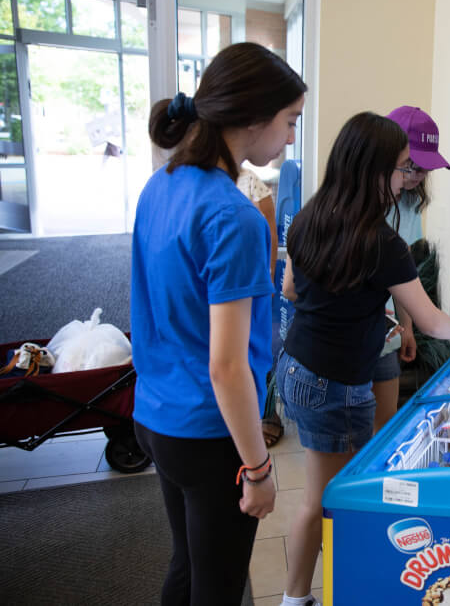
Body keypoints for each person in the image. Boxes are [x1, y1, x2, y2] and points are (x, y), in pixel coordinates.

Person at [276, 112, 450, 606]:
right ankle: (305, 597)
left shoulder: (311, 216)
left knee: (321, 491)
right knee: (331, 500)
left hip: (294, 367)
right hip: (333, 382)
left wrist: (362, 312)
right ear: (375, 171)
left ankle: (299, 595)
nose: (404, 178)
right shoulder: (382, 240)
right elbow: (434, 322)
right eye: (400, 167)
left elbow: (290, 288)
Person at [131, 41, 306, 605]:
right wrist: (257, 469)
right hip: (211, 434)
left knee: (189, 566)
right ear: (252, 118)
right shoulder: (233, 217)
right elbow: (228, 367)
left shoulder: (161, 186)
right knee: (219, 587)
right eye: (289, 121)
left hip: (156, 417)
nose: (291, 137)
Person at [372, 105, 450, 431]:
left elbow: (403, 272)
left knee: (385, 424)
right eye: (412, 166)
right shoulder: (361, 204)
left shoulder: (408, 202)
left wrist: (406, 326)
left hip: (388, 331)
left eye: (425, 169)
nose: (418, 176)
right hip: (356, 332)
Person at [235, 166, 285, 447]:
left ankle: (266, 413)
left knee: (258, 348)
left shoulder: (252, 183)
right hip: (217, 286)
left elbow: (270, 235)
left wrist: (267, 276)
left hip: (251, 283)